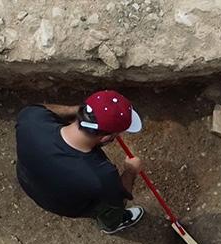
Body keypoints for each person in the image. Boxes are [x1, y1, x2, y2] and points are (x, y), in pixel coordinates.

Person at [16, 90, 146, 234]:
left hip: (27, 180)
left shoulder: (30, 119)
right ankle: (111, 224)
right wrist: (131, 171)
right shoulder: (101, 175)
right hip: (64, 206)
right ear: (105, 138)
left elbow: (42, 108)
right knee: (111, 210)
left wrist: (78, 112)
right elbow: (119, 200)